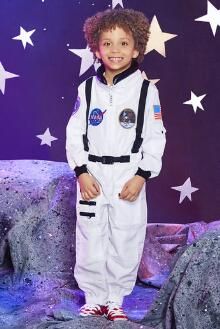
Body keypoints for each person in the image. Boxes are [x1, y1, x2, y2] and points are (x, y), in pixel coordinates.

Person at [66, 8, 166, 321]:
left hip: (127, 175)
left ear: (137, 48)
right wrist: (81, 171)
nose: (115, 51)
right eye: (107, 44)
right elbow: (74, 134)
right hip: (93, 174)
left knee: (125, 235)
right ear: (96, 47)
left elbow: (155, 137)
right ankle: (94, 297)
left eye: (123, 43)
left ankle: (114, 299)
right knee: (90, 236)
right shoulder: (87, 89)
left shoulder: (146, 91)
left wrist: (141, 175)